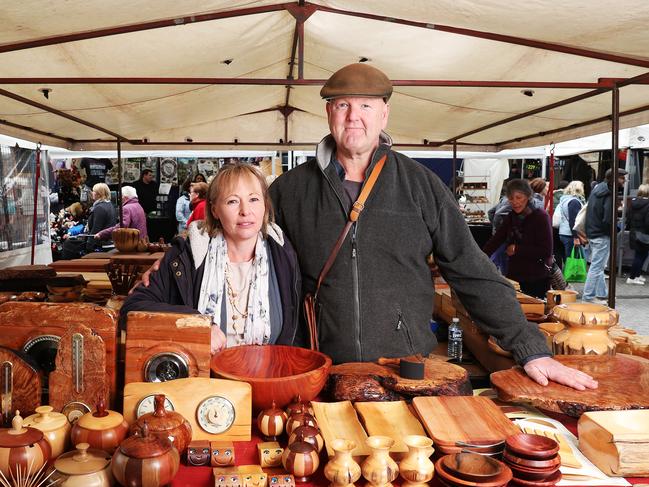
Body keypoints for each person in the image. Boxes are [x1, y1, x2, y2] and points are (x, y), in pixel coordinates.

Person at [268, 62, 596, 390]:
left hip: (404, 371)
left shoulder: (421, 185)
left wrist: (529, 347)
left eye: (366, 106)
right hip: (318, 370)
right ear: (329, 113)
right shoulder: (289, 191)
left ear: (384, 114)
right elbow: (260, 275)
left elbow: (471, 270)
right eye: (343, 105)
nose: (354, 116)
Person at [121, 164, 301, 354]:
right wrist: (197, 326)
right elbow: (131, 311)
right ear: (214, 209)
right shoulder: (187, 257)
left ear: (265, 204)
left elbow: (296, 330)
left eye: (254, 199)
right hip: (203, 381)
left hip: (268, 378)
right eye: (232, 201)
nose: (245, 211)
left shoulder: (283, 254)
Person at [483, 179, 554, 299]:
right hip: (515, 277)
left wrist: (517, 249)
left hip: (536, 278)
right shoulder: (512, 216)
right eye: (511, 198)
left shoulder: (541, 217)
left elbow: (546, 250)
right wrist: (479, 257)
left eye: (519, 197)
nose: (515, 202)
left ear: (528, 196)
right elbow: (496, 240)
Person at [582, 168, 627, 303]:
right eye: (622, 178)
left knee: (598, 265)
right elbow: (608, 218)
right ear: (615, 178)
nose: (624, 180)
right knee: (597, 266)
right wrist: (616, 230)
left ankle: (602, 293)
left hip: (593, 231)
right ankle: (588, 297)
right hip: (601, 233)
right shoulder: (609, 193)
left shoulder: (598, 188)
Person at [556, 180, 586, 260]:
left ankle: (567, 272)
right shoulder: (574, 202)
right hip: (570, 234)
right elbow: (573, 221)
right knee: (572, 260)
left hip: (563, 232)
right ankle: (570, 273)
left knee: (568, 258)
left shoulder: (565, 200)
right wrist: (576, 237)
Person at [627, 184, 649, 285]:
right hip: (644, 233)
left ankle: (637, 275)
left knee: (640, 255)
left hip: (634, 232)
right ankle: (632, 277)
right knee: (640, 256)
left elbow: (628, 217)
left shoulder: (633, 202)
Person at [85, 183, 116, 252]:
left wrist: (89, 245)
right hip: (109, 242)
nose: (92, 193)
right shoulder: (110, 205)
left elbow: (96, 228)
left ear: (99, 194)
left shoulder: (99, 208)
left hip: (102, 244)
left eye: (93, 191)